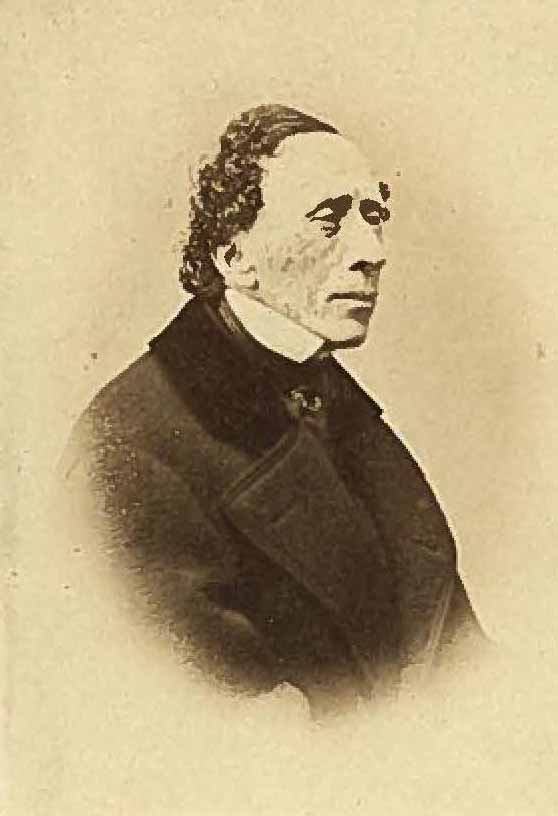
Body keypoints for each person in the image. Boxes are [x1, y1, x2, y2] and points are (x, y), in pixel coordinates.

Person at [62, 104, 484, 717]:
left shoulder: (338, 406)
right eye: (328, 219)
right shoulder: (127, 454)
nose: (372, 251)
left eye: (374, 214)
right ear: (235, 257)